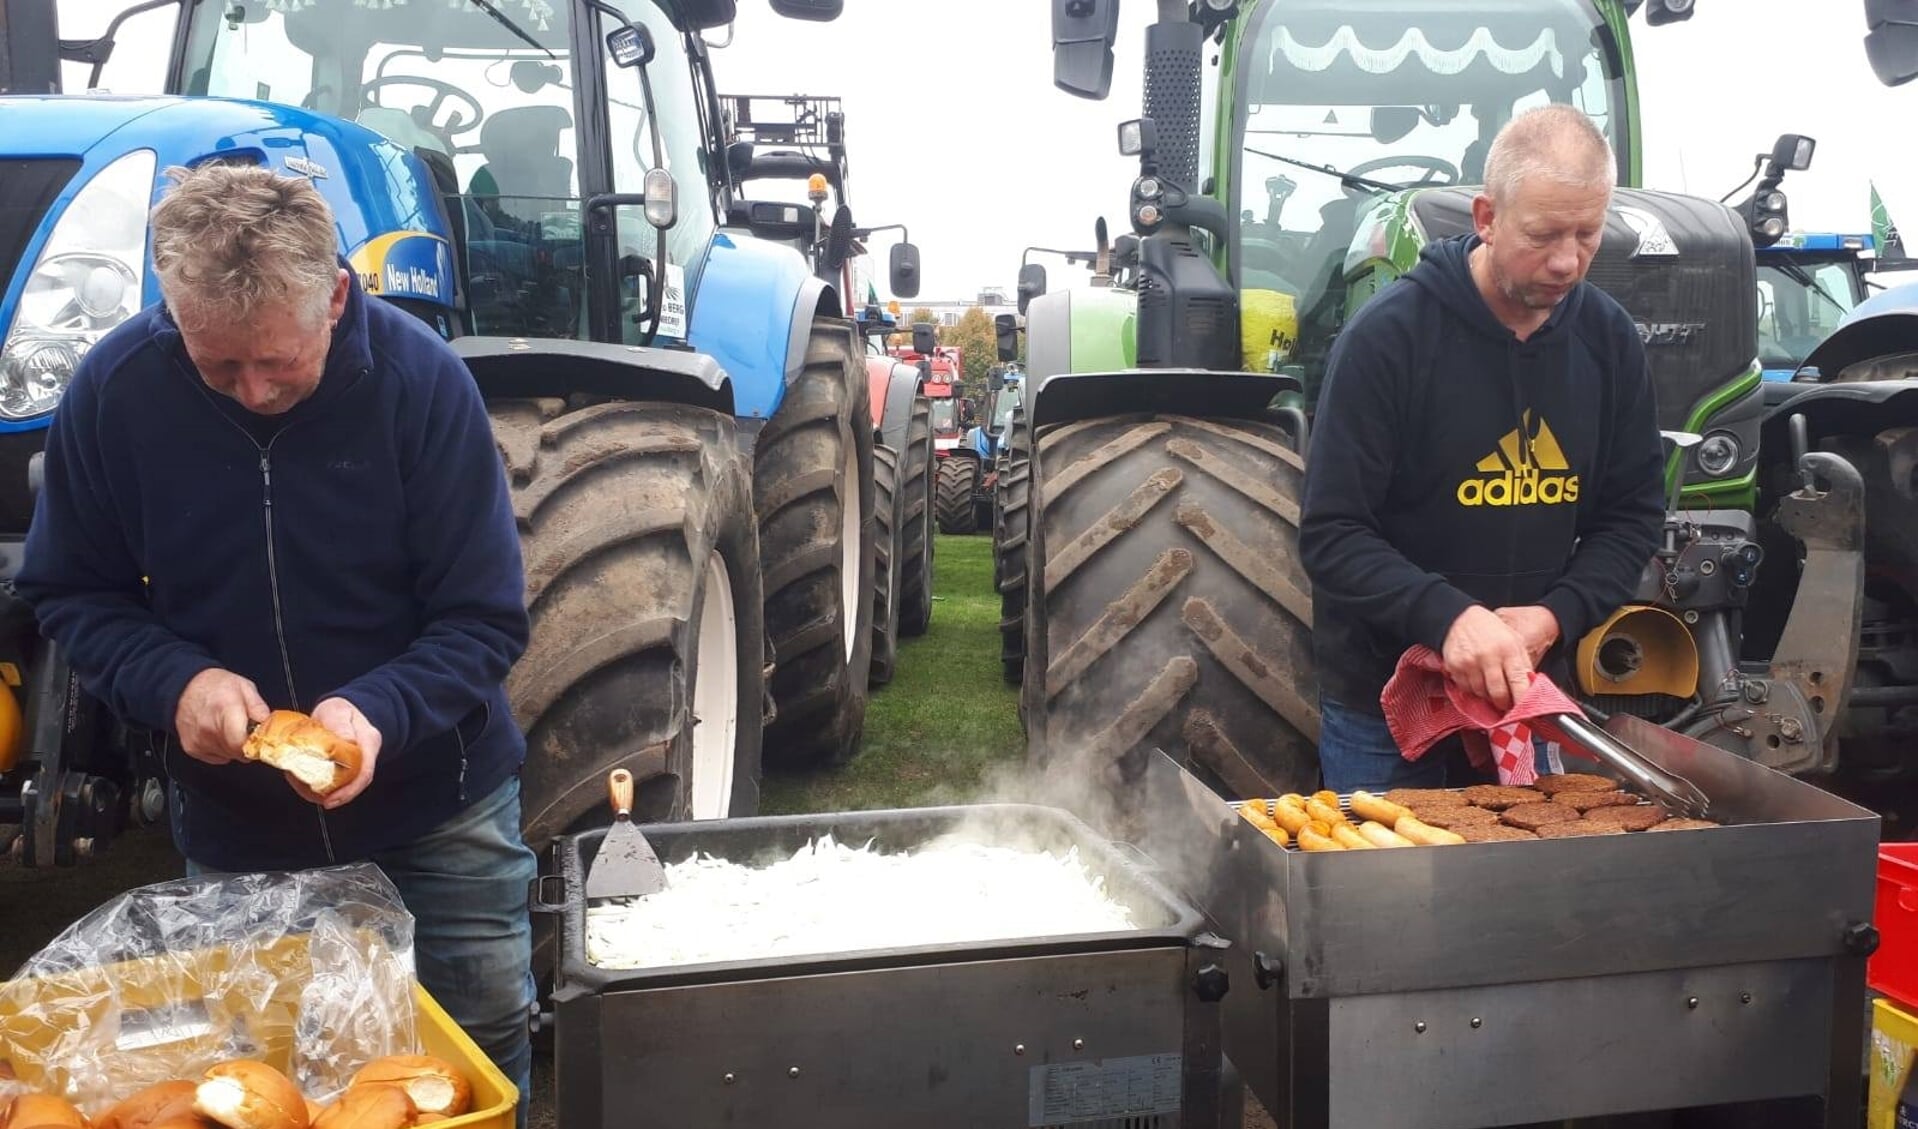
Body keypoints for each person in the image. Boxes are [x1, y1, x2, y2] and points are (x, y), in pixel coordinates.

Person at [16, 164, 535, 1113]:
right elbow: (72, 590)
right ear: (172, 311)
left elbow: (484, 617)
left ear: (335, 295)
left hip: (439, 805)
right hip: (237, 823)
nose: (253, 391)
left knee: (477, 1035)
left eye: (279, 364)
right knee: (260, 1072)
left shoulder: (425, 388)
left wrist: (376, 711)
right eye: (219, 366)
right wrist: (177, 683)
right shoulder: (117, 391)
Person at [1298, 104, 1666, 792]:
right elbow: (1332, 533)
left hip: (1529, 695)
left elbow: (1633, 516)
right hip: (1386, 706)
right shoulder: (1388, 340)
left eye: (1588, 234)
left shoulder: (1609, 341)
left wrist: (1555, 616)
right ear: (1486, 216)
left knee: (1523, 894)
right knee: (1390, 897)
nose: (1567, 260)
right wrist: (1449, 617)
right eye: (1544, 234)